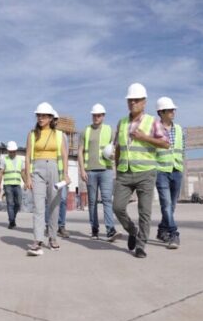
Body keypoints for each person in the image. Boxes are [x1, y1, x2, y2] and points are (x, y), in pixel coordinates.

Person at [113, 83, 170, 258]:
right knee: (117, 207)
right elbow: (117, 148)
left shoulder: (152, 121)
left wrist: (144, 137)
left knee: (144, 211)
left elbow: (166, 143)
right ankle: (132, 230)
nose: (133, 103)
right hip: (124, 172)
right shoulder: (122, 122)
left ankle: (141, 245)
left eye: (136, 100)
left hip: (146, 172)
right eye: (130, 100)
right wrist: (117, 169)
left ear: (144, 102)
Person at [25, 102, 70, 256]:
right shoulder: (31, 134)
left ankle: (52, 237)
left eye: (44, 115)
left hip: (54, 170)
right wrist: (27, 178)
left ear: (51, 118)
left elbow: (64, 155)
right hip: (37, 171)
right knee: (38, 206)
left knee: (54, 205)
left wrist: (65, 174)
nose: (40, 118)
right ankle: (37, 240)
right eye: (38, 115)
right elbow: (27, 156)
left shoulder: (59, 135)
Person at [78, 103, 120, 241]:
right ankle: (94, 230)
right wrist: (82, 170)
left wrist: (114, 156)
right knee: (92, 202)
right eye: (94, 115)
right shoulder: (86, 131)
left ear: (103, 116)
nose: (96, 117)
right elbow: (80, 151)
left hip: (106, 170)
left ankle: (110, 230)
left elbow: (115, 148)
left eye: (99, 115)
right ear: (92, 116)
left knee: (107, 200)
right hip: (90, 171)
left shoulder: (110, 130)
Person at [155, 97, 185, 249]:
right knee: (166, 205)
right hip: (161, 171)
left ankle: (161, 230)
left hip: (177, 170)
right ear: (161, 112)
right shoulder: (154, 129)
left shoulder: (179, 129)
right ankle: (173, 234)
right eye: (170, 109)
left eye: (174, 109)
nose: (174, 111)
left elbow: (182, 149)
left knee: (171, 206)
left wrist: (181, 166)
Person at [45, 110, 69, 238]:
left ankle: (61, 226)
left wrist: (66, 173)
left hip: (60, 174)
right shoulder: (45, 135)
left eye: (55, 119)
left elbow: (65, 155)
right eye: (52, 119)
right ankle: (48, 226)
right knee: (48, 200)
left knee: (63, 200)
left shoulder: (62, 136)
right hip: (49, 172)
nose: (53, 121)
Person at [0, 141, 24, 229]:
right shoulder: (4, 159)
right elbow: (0, 172)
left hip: (17, 185)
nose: (12, 153)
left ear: (16, 150)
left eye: (13, 151)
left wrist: (27, 182)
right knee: (10, 203)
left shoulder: (20, 160)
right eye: (10, 151)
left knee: (18, 203)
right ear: (8, 151)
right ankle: (11, 221)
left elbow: (23, 172)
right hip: (8, 185)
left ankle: (13, 218)